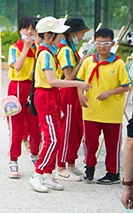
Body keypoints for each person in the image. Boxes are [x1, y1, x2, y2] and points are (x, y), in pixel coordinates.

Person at [28, 17, 91, 193]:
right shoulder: (47, 54)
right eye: (58, 33)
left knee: (55, 137)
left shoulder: (50, 51)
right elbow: (52, 81)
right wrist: (78, 84)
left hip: (51, 97)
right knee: (53, 138)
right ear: (48, 35)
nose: (61, 36)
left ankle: (47, 174)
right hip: (46, 97)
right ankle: (38, 174)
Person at [76, 28, 131, 184]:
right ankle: (89, 167)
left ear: (112, 44)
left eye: (106, 43)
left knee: (112, 143)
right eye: (99, 43)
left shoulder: (119, 63)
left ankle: (112, 173)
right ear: (95, 43)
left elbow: (126, 86)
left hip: (111, 112)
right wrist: (80, 95)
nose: (102, 47)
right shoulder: (88, 61)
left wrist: (109, 92)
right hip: (91, 109)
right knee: (89, 142)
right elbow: (79, 81)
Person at [55, 17, 90, 181]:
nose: (82, 35)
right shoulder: (65, 50)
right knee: (67, 130)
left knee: (75, 129)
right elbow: (69, 76)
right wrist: (81, 62)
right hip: (67, 92)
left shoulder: (70, 48)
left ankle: (70, 162)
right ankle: (61, 166)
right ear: (73, 33)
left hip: (72, 92)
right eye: (82, 32)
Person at [6, 17, 41, 179]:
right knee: (16, 129)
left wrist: (36, 47)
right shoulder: (15, 48)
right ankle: (13, 160)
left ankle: (35, 155)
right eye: (25, 29)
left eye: (32, 29)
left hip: (33, 91)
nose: (29, 32)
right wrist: (26, 48)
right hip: (16, 89)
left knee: (35, 128)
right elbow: (17, 66)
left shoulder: (39, 49)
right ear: (20, 30)